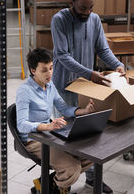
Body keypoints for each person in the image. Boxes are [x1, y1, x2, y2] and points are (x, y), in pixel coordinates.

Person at [51, 0, 125, 193]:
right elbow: (62, 56)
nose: (88, 12)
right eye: (83, 8)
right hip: (64, 88)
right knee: (66, 136)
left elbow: (102, 48)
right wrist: (91, 73)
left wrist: (117, 64)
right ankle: (59, 181)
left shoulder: (94, 20)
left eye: (91, 7)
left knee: (91, 137)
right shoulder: (59, 20)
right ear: (71, 3)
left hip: (86, 89)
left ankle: (93, 178)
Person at [16, 47, 95, 194]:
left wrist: (83, 111)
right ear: (33, 71)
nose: (50, 73)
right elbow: (21, 125)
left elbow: (64, 108)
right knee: (72, 167)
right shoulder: (24, 91)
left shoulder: (50, 85)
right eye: (44, 70)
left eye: (51, 68)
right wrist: (47, 126)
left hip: (48, 136)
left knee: (89, 156)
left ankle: (46, 184)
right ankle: (56, 189)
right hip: (32, 140)